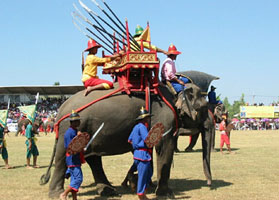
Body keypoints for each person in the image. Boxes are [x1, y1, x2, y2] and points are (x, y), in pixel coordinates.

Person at [128, 107, 153, 200]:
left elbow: (130, 140)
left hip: (137, 154)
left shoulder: (136, 127)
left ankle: (143, 193)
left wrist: (137, 144)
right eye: (147, 117)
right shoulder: (143, 127)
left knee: (148, 173)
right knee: (143, 175)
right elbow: (148, 140)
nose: (149, 119)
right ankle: (141, 195)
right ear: (144, 118)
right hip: (143, 155)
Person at [60, 111, 84, 200]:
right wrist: (78, 140)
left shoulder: (75, 131)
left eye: (79, 120)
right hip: (72, 159)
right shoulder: (69, 133)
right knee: (78, 179)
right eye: (77, 121)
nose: (79, 122)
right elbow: (69, 148)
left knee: (74, 180)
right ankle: (64, 194)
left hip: (76, 159)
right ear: (72, 122)